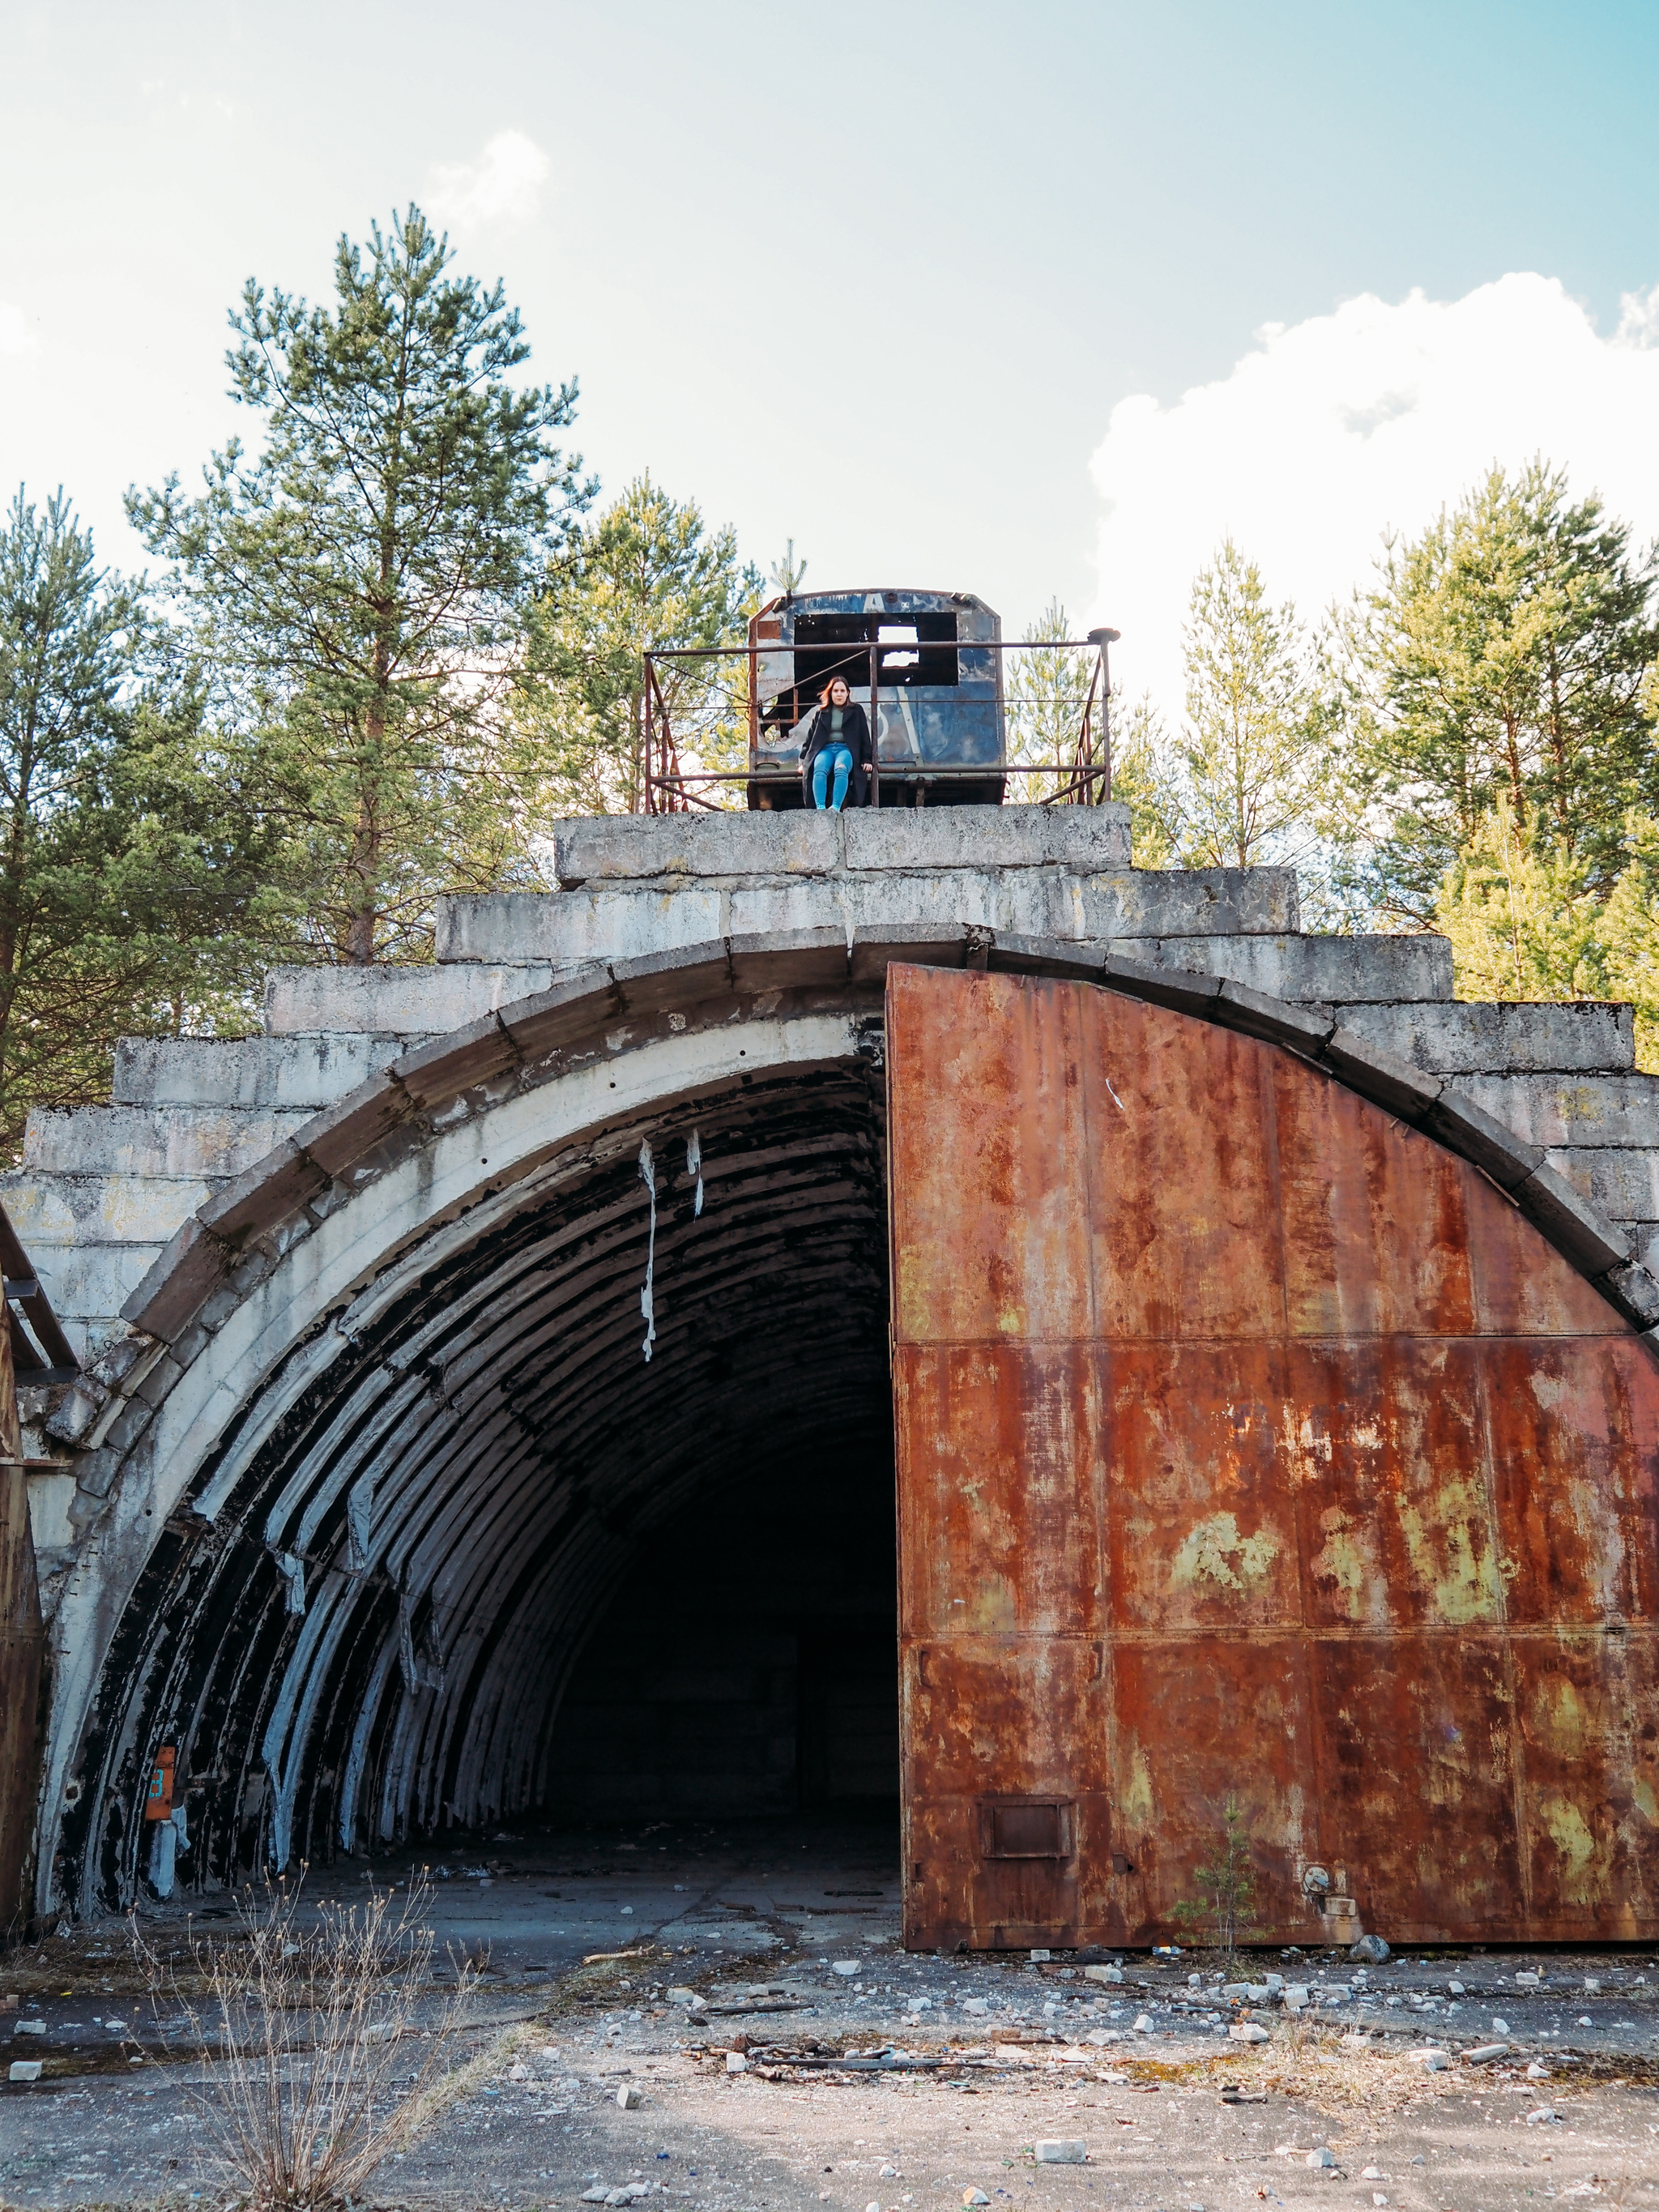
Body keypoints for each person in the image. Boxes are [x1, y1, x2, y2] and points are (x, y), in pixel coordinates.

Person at [798, 674, 873, 809]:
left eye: (842, 691)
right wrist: (803, 761)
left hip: (845, 749)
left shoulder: (856, 711)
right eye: (836, 691)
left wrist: (867, 759)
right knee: (819, 769)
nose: (839, 694)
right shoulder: (822, 712)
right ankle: (820, 807)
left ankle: (835, 807)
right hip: (825, 750)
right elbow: (810, 738)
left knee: (841, 769)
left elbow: (864, 736)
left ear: (848, 693)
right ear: (830, 693)